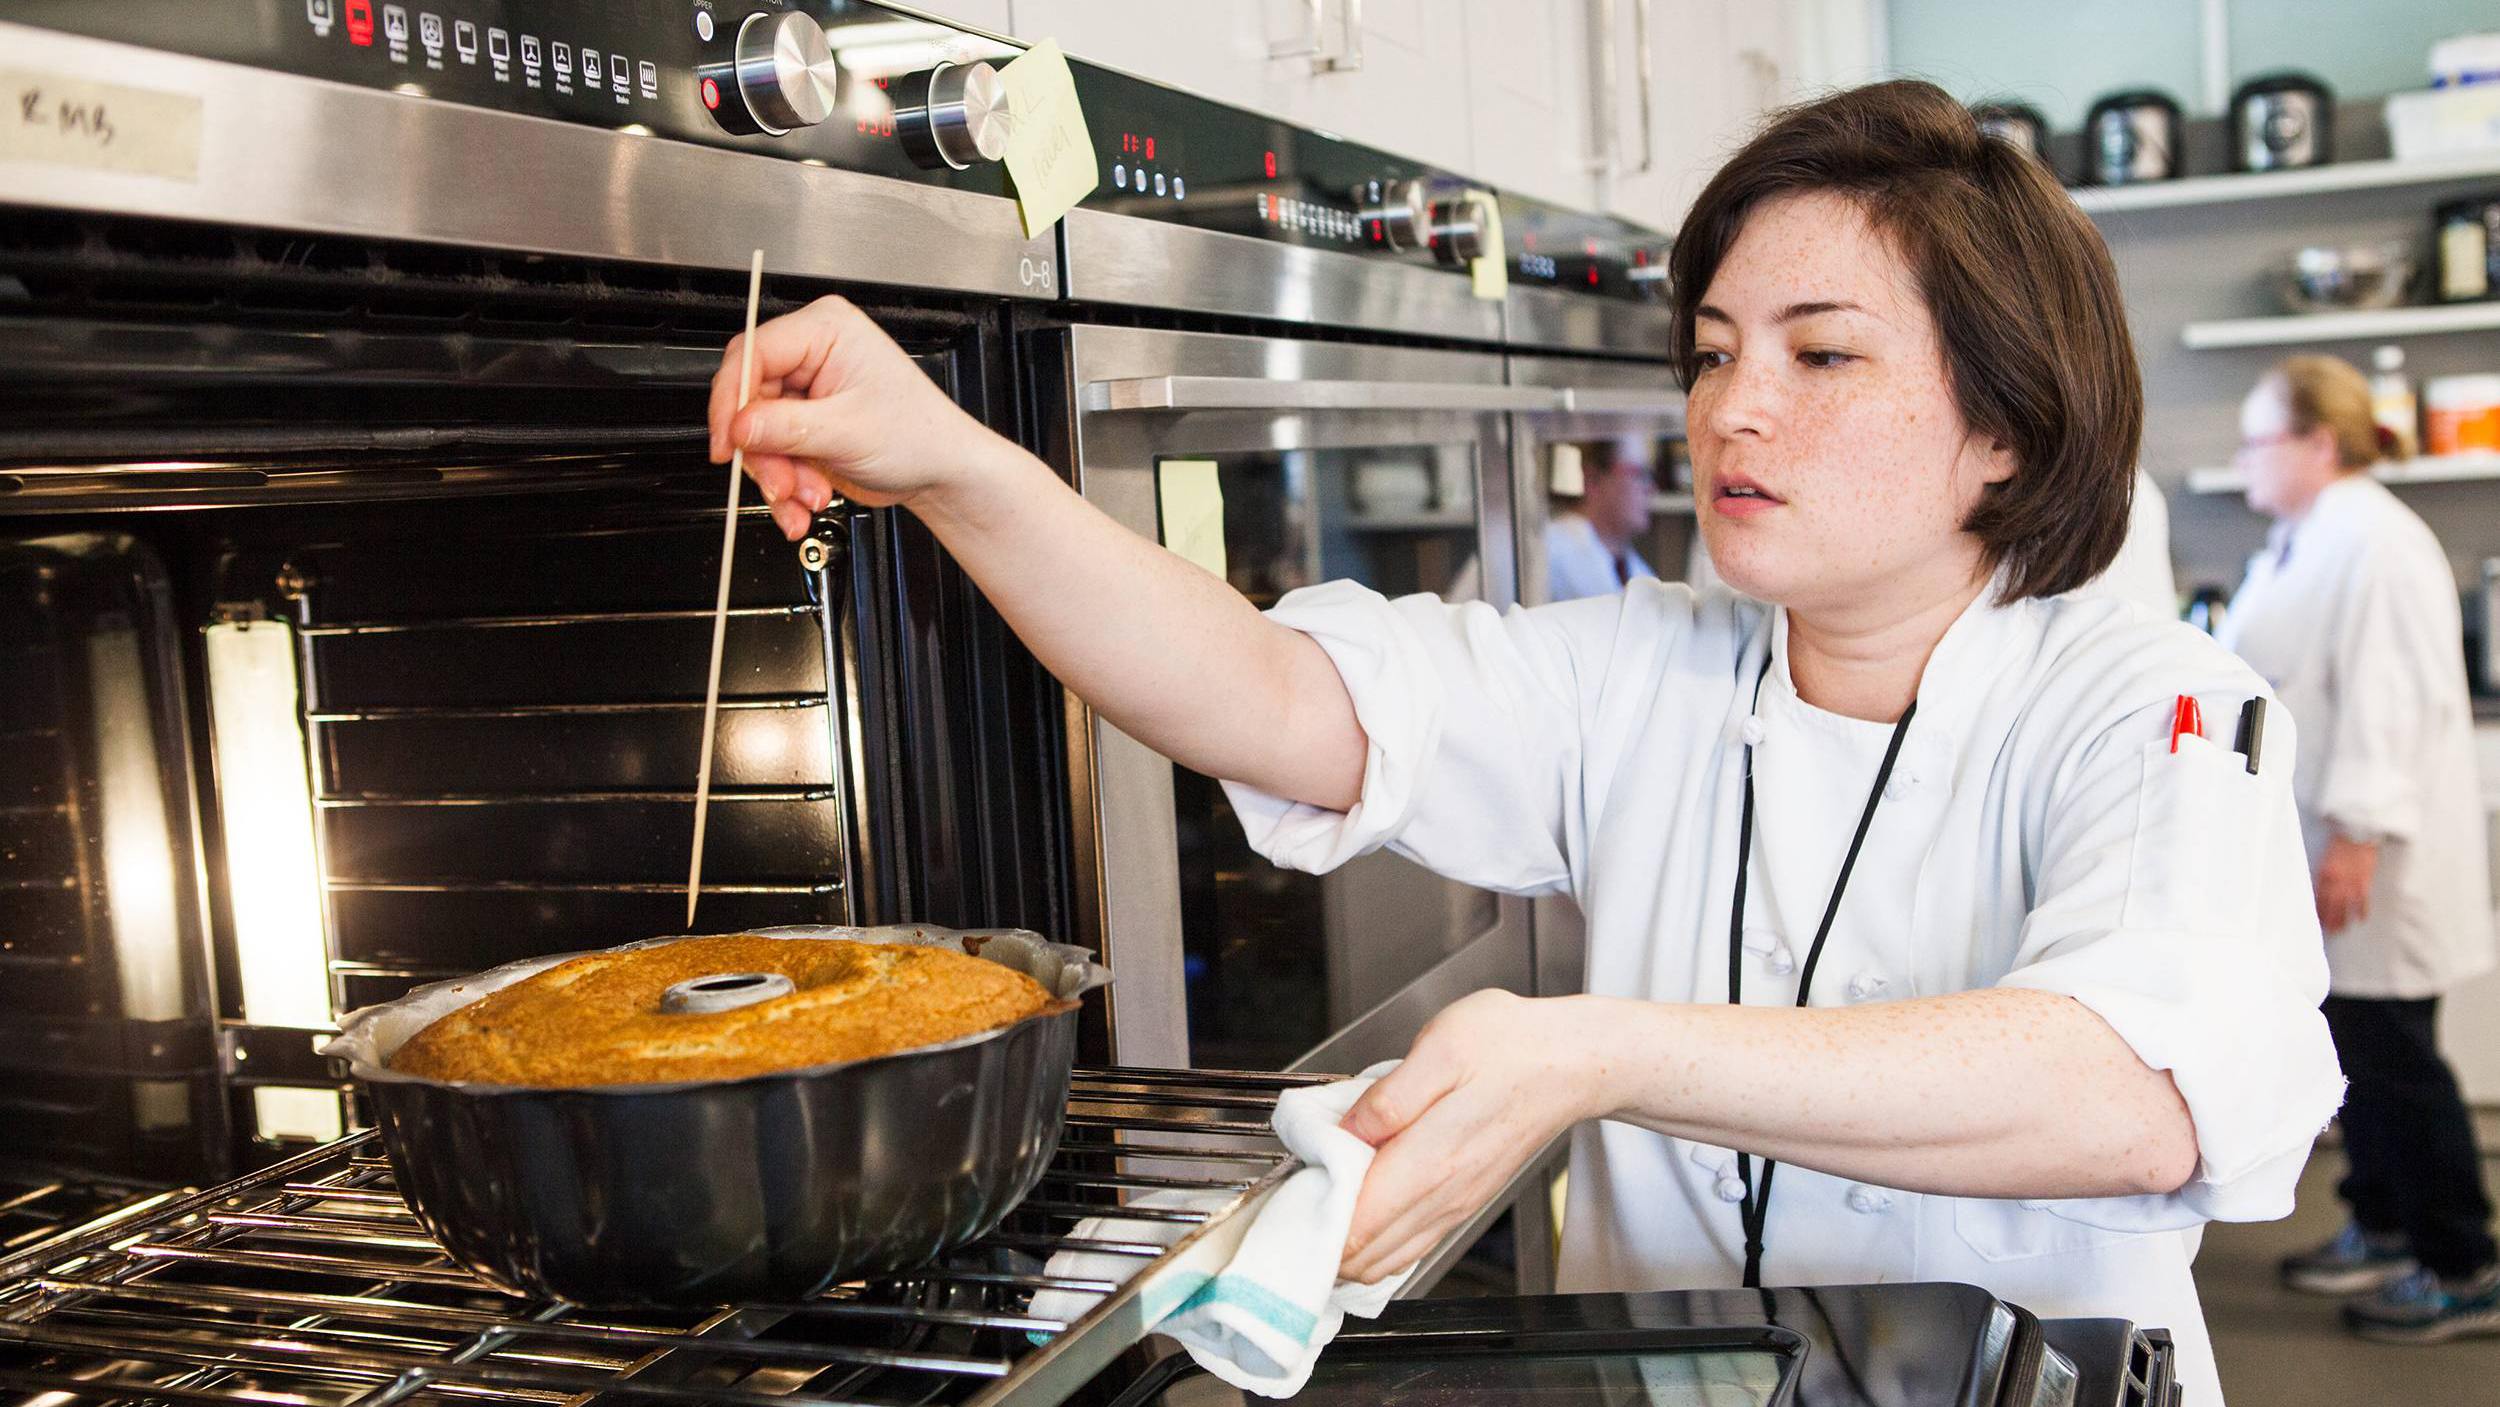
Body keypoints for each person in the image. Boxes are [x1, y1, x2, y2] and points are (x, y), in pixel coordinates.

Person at [706, 82, 2341, 1403]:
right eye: (1711, 352)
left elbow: (2141, 1090)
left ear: (2003, 425)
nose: (1730, 409)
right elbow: (1273, 695)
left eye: (1820, 352)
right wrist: (952, 466)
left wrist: (1601, 1049)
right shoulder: (1648, 666)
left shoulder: (2158, 703)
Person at [2218, 354, 2500, 1342]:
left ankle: (2462, 1263)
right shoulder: (2306, 538)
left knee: (2395, 1058)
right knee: (2355, 1051)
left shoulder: (2373, 541)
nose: (2243, 460)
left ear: (2317, 444)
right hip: (2327, 841)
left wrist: (2356, 839)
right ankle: (2380, 1225)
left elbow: (2387, 701)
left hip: (2368, 850)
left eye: (2258, 439)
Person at [1546, 437, 1657, 600]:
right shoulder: (1552, 550)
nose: (1651, 488)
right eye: (1639, 475)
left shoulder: (1635, 568)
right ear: (1592, 480)